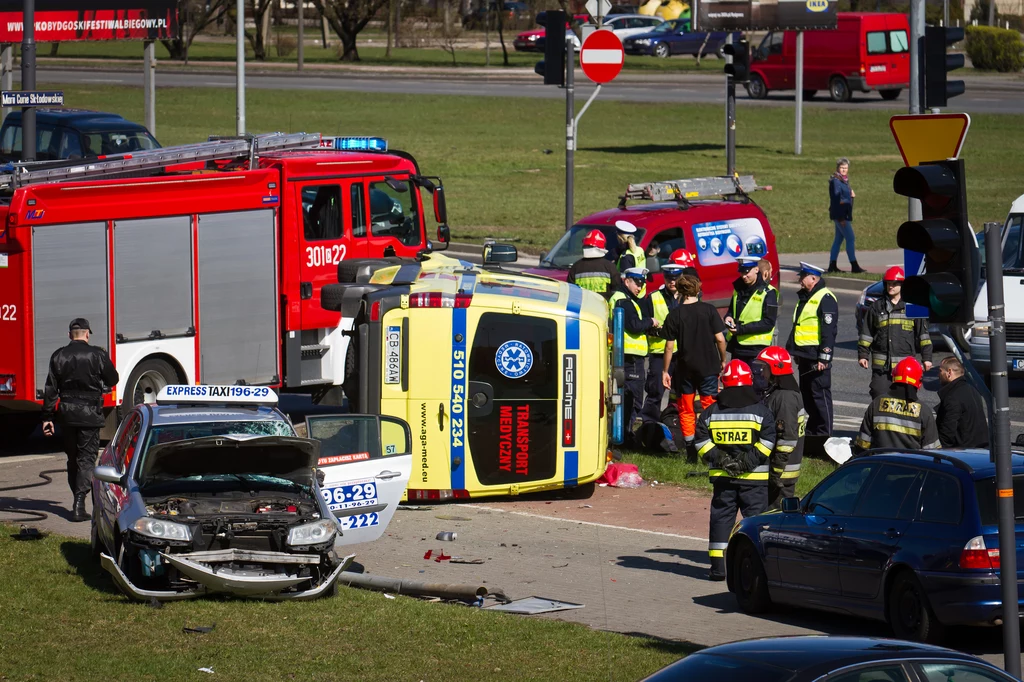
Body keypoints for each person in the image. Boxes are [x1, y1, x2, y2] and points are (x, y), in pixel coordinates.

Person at [694, 359, 776, 581]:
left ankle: (718, 570)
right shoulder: (762, 412)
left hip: (724, 481)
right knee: (755, 525)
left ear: (725, 383)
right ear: (749, 381)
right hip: (754, 481)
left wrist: (722, 460)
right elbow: (767, 443)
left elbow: (701, 443)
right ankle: (757, 570)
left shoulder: (710, 413)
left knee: (721, 522)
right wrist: (745, 464)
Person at [41, 318, 119, 522]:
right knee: (86, 459)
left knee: (73, 459)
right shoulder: (97, 354)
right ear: (87, 334)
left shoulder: (58, 355)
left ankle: (77, 499)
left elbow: (50, 389)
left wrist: (47, 417)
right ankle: (79, 504)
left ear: (69, 335)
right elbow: (113, 379)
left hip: (66, 415)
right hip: (89, 415)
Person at [661, 275, 727, 458]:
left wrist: (665, 371)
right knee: (709, 406)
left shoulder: (675, 314)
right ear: (697, 290)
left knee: (686, 408)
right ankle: (712, 446)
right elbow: (720, 339)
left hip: (685, 369)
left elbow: (669, 346)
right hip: (708, 367)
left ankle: (690, 449)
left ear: (680, 292)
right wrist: (723, 359)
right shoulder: (709, 310)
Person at [857, 266, 933, 399]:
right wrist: (863, 355)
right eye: (888, 284)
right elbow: (866, 333)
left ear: (902, 285)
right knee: (878, 395)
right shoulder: (876, 307)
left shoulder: (911, 307)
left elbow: (923, 335)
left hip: (905, 367)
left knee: (905, 399)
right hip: (882, 367)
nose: (890, 287)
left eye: (894, 284)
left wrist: (927, 358)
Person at [786, 262, 838, 442]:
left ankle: (824, 435)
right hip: (805, 356)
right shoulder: (807, 296)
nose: (800, 280)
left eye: (803, 277)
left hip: (817, 358)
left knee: (819, 396)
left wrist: (824, 357)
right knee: (807, 395)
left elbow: (828, 331)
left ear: (814, 278)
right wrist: (796, 352)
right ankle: (813, 432)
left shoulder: (825, 298)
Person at [755, 346, 807, 509]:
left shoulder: (785, 398)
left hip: (781, 474)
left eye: (765, 368)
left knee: (774, 520)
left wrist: (775, 471)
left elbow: (787, 440)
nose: (762, 373)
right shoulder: (780, 392)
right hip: (780, 470)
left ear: (775, 369)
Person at [610, 267, 659, 439]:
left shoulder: (623, 298)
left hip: (625, 357)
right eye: (636, 283)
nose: (640, 287)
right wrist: (650, 322)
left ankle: (622, 434)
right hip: (630, 358)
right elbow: (633, 326)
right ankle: (626, 435)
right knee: (632, 400)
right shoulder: (624, 301)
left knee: (625, 398)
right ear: (626, 281)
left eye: (642, 283)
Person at [853, 357, 941, 453]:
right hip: (909, 466)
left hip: (880, 464)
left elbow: (863, 444)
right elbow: (932, 452)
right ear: (918, 382)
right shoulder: (924, 411)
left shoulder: (877, 403)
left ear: (894, 377)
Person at [724, 257, 779, 396]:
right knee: (735, 387)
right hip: (738, 347)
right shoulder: (738, 289)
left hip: (756, 349)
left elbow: (768, 322)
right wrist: (728, 317)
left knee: (757, 389)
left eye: (747, 272)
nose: (744, 276)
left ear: (756, 269)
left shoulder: (768, 292)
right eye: (741, 273)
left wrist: (741, 329)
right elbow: (731, 311)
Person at [641, 260, 684, 424]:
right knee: (655, 393)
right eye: (668, 278)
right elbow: (646, 325)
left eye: (675, 278)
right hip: (659, 353)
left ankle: (676, 424)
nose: (672, 281)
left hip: (681, 354)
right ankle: (649, 426)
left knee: (680, 392)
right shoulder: (652, 298)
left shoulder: (687, 298)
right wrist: (662, 332)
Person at [936, 357, 990, 448]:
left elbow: (947, 432)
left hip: (963, 452)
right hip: (980, 448)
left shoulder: (952, 397)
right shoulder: (972, 390)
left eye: (940, 371)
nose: (939, 375)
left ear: (949, 372)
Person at [828, 157, 865, 274]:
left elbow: (844, 196)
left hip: (843, 214)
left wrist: (851, 194)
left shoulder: (843, 180)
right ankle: (854, 265)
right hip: (841, 215)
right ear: (837, 168)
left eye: (846, 168)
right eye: (842, 167)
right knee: (850, 238)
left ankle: (832, 266)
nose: (844, 170)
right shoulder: (836, 181)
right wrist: (841, 218)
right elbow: (836, 199)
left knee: (838, 240)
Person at [567, 229, 619, 299]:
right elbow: (617, 291)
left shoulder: (576, 267)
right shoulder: (610, 267)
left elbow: (571, 292)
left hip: (583, 308)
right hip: (603, 308)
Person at [614, 220, 647, 295]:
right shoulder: (639, 250)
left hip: (631, 293)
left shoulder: (626, 256)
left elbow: (625, 280)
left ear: (619, 237)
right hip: (641, 290)